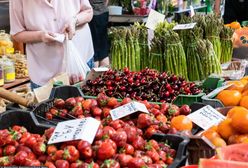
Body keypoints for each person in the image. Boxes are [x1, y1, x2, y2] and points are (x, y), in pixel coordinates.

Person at [9, 0, 94, 89]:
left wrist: (74, 20)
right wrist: (40, 36)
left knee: (88, 100)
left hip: (81, 61)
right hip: (44, 71)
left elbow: (88, 12)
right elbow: (17, 33)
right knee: (46, 102)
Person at [89, 0, 110, 68]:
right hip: (103, 12)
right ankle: (104, 75)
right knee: (103, 46)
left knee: (94, 46)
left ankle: (95, 75)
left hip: (92, 14)